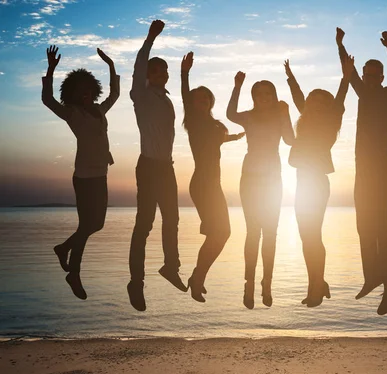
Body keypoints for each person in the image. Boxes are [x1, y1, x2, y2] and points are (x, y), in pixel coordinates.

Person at [336, 27, 387, 315]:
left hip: (379, 167)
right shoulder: (362, 91)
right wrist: (340, 44)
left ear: (382, 77)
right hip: (361, 168)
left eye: (374, 74)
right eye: (366, 73)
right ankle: (372, 276)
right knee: (364, 224)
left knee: (379, 224)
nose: (368, 77)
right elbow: (348, 72)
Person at [42, 45, 119, 300]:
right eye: (80, 91)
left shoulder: (99, 110)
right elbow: (47, 100)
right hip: (84, 177)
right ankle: (73, 273)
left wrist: (111, 66)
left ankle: (63, 248)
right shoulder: (71, 114)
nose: (85, 94)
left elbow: (115, 94)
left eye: (88, 90)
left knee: (96, 224)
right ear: (73, 94)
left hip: (101, 175)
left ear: (92, 90)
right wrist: (51, 70)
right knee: (87, 225)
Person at [283, 55, 353, 307]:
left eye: (321, 103)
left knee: (313, 235)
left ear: (328, 107)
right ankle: (316, 282)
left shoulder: (331, 120)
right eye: (312, 101)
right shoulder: (307, 116)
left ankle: (317, 284)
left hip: (317, 183)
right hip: (302, 183)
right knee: (306, 236)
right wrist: (291, 77)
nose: (314, 105)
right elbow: (298, 97)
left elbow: (340, 98)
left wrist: (345, 78)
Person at [128, 20, 186, 312]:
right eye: (157, 69)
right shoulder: (141, 95)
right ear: (148, 75)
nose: (162, 72)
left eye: (164, 69)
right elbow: (139, 64)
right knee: (144, 224)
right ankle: (135, 282)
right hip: (149, 166)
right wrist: (150, 38)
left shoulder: (166, 100)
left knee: (172, 220)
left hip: (166, 167)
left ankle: (170, 267)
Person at [181, 51, 245, 302]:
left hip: (213, 186)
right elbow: (186, 97)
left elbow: (217, 140)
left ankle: (198, 277)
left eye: (206, 99)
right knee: (219, 234)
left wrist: (235, 137)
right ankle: (197, 278)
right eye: (198, 100)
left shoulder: (211, 124)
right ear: (192, 104)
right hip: (202, 185)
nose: (203, 102)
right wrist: (184, 74)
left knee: (221, 233)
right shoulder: (194, 121)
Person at [226, 72, 295, 309]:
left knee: (271, 233)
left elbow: (290, 140)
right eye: (259, 94)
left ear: (273, 96)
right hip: (250, 179)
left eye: (268, 94)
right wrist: (237, 87)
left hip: (273, 179)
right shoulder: (249, 117)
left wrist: (286, 114)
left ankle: (267, 282)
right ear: (254, 97)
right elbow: (230, 114)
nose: (264, 98)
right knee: (253, 232)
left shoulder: (279, 116)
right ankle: (249, 282)